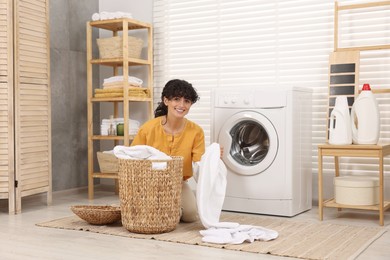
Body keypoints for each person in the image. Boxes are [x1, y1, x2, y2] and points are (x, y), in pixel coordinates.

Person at [131, 79, 205, 222]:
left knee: (190, 215)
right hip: (150, 182)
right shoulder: (148, 128)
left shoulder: (196, 131)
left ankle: (174, 209)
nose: (181, 105)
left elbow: (199, 163)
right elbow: (133, 157)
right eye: (176, 99)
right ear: (166, 100)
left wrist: (213, 157)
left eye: (187, 101)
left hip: (178, 183)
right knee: (167, 215)